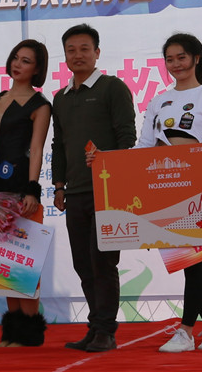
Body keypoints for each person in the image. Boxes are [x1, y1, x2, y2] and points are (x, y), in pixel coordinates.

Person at [87, 32, 202, 353]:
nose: (175, 64)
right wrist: (107, 161)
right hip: (164, 190)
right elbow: (143, 149)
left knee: (193, 262)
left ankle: (185, 332)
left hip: (197, 191)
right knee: (192, 262)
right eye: (170, 59)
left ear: (196, 58)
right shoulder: (157, 101)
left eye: (181, 57)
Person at [51, 24, 136, 352]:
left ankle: (105, 331)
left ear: (97, 52)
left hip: (107, 191)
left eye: (84, 49)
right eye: (71, 50)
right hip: (74, 193)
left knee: (103, 262)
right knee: (83, 265)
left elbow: (127, 137)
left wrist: (108, 159)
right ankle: (96, 326)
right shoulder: (60, 98)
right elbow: (59, 145)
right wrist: (59, 185)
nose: (78, 55)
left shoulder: (113, 88)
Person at [0, 39, 51, 347]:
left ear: (37, 69)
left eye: (26, 61)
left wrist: (32, 189)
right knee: (4, 261)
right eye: (16, 58)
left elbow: (37, 149)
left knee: (25, 263)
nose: (18, 64)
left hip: (21, 192)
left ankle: (30, 333)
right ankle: (12, 332)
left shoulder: (40, 105)